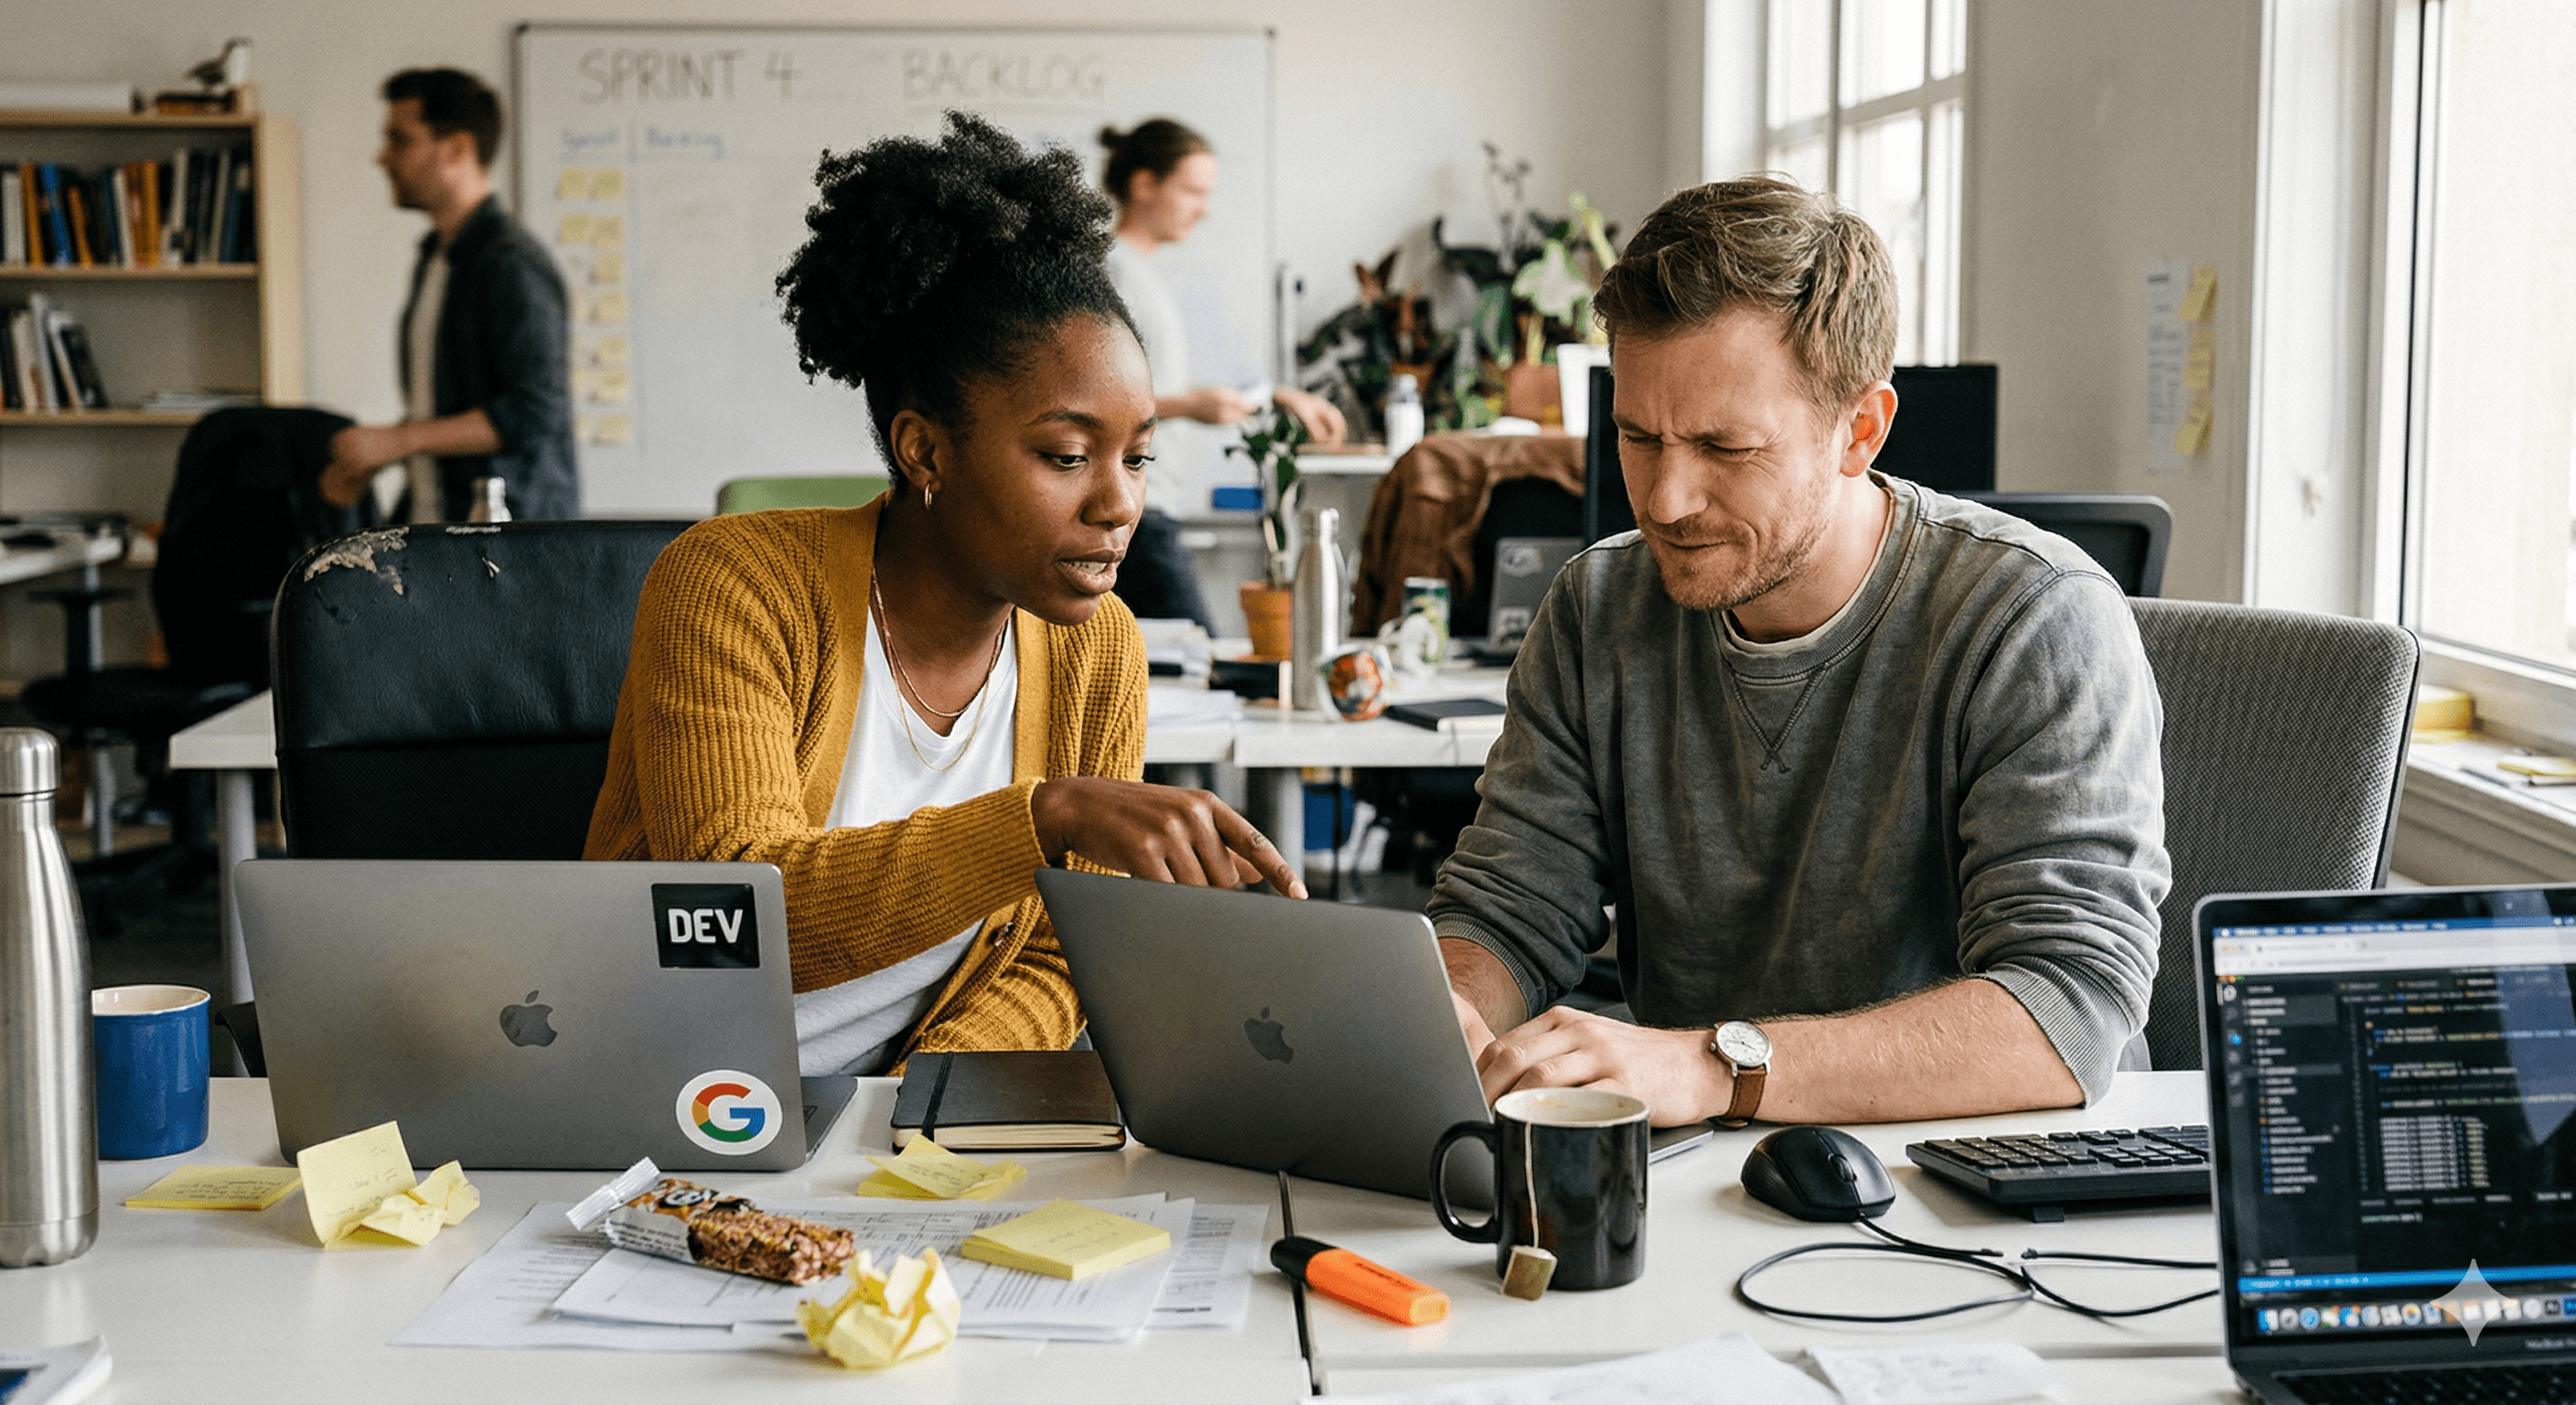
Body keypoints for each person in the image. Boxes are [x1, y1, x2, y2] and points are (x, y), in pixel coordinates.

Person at [1435, 176, 2167, 1128]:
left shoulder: (2034, 616)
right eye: (1638, 437)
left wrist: (1712, 1066)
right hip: (1719, 1167)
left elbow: (2069, 1007)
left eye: (1724, 447)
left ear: (1859, 431)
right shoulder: (1596, 607)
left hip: (1989, 1166)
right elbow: (1508, 906)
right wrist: (1451, 1007)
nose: (1665, 500)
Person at [585, 113, 1305, 1078]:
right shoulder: (736, 582)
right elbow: (731, 918)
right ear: (924, 450)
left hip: (898, 1127)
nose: (1120, 504)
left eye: (1136, 458)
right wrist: (1040, 819)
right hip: (672, 1103)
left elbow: (1054, 956)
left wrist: (916, 1112)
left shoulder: (1099, 650)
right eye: (1067, 456)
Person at [1097, 118, 1347, 628]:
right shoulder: (1112, 271)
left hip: (1148, 507)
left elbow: (1149, 391)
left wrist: (1275, 397)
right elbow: (1092, 399)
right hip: (1133, 510)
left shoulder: (1140, 274)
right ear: (1144, 184)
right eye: (1192, 191)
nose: (1203, 209)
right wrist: (1191, 407)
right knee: (1201, 651)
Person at [319, 69, 577, 522]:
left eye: (400, 140)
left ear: (458, 149)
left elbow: (535, 411)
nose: (382, 157)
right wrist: (376, 455)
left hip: (506, 540)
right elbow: (445, 416)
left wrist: (397, 441)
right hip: (440, 525)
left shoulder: (511, 263)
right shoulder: (434, 257)